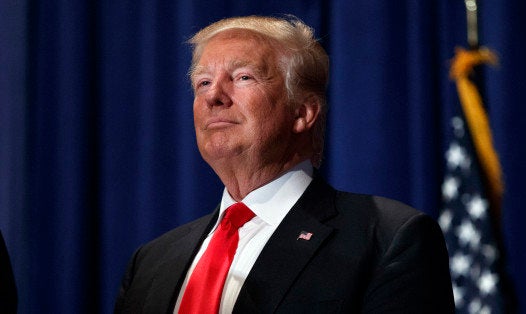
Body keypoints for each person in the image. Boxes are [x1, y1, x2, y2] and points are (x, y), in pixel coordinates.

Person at [114, 15, 454, 313]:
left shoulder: (387, 238)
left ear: (302, 112)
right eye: (203, 82)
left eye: (243, 77)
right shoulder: (151, 263)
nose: (213, 96)